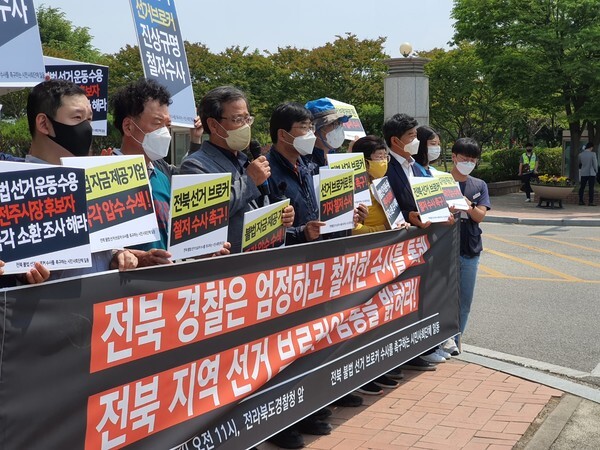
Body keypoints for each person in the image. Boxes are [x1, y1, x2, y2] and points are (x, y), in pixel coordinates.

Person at [24, 79, 137, 277]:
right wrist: (18, 274)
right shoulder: (14, 190)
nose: (87, 128)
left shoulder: (97, 181)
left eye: (89, 119)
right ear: (43, 123)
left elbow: (107, 246)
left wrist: (118, 254)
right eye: (77, 118)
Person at [179, 86, 294, 254]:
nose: (246, 126)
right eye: (238, 119)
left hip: (261, 260)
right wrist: (249, 181)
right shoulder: (195, 165)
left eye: (247, 119)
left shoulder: (244, 160)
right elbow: (206, 215)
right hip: (228, 263)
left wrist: (281, 216)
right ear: (214, 125)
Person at [450, 138, 491, 346]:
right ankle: (440, 342)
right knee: (443, 299)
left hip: (470, 250)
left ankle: (456, 340)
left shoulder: (479, 185)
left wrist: (468, 206)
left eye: (473, 160)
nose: (469, 163)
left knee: (464, 301)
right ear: (454, 157)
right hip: (444, 250)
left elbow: (480, 216)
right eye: (465, 158)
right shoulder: (440, 181)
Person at [303, 98, 351, 174]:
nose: (337, 128)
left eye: (339, 123)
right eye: (332, 123)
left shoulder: (336, 159)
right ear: (314, 129)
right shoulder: (304, 165)